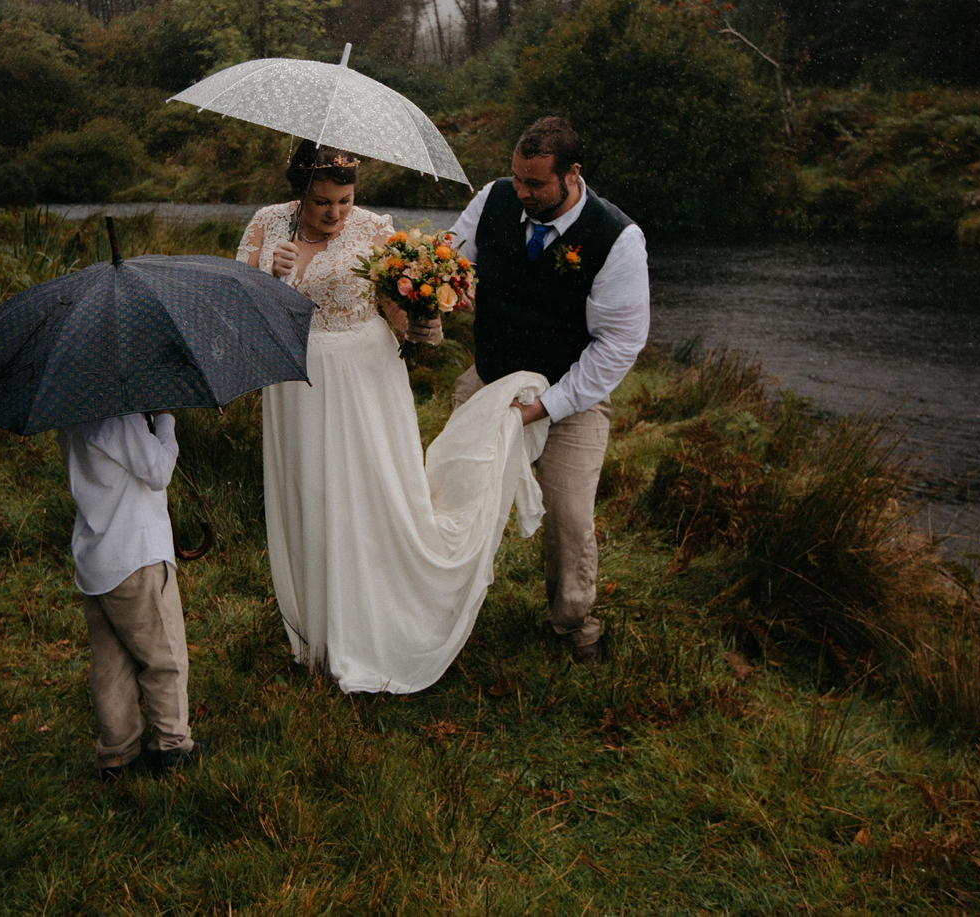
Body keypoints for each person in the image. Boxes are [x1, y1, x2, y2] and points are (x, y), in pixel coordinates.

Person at [236, 141, 548, 693]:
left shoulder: (375, 229)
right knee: (310, 495)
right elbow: (240, 317)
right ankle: (321, 634)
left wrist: (425, 325)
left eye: (345, 200)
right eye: (322, 203)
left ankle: (377, 629)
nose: (335, 214)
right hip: (293, 387)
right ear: (299, 193)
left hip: (366, 381)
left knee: (371, 497)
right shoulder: (266, 227)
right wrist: (268, 273)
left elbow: (402, 316)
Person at [447, 116, 650, 666]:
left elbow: (618, 346)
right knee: (454, 489)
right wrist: (445, 294)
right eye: (517, 178)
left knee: (568, 514)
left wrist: (544, 406)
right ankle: (443, 608)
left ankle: (573, 621)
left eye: (535, 184)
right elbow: (450, 262)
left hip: (571, 393)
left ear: (572, 175)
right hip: (490, 377)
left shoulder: (617, 238)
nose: (522, 192)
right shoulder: (491, 201)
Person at [59, 410, 203, 781]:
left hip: (97, 560)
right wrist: (166, 422)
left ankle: (117, 753)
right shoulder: (117, 418)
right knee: (165, 658)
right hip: (135, 558)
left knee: (111, 666)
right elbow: (157, 472)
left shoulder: (74, 417)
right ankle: (173, 746)